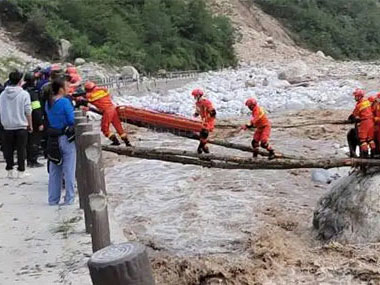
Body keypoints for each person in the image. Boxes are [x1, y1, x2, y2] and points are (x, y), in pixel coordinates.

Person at [45, 78, 76, 205]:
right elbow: (71, 120)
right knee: (69, 169)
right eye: (67, 86)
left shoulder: (48, 103)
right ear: (61, 89)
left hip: (52, 139)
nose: (69, 89)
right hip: (65, 139)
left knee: (54, 170)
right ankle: (69, 198)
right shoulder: (64, 102)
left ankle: (53, 199)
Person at [0, 70, 32, 178]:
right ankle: (21, 171)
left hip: (7, 125)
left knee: (8, 149)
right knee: (21, 149)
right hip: (21, 125)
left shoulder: (3, 94)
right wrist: (30, 124)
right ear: (20, 81)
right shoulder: (24, 94)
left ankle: (9, 170)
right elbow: (28, 111)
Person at [83, 81, 131, 146]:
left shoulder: (91, 95)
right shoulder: (103, 90)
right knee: (118, 127)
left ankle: (116, 142)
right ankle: (127, 143)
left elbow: (87, 99)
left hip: (107, 111)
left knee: (104, 128)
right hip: (113, 109)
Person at [23, 72, 44, 167]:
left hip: (22, 119)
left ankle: (28, 159)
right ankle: (32, 160)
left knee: (27, 141)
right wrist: (40, 122)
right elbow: (36, 109)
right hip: (34, 120)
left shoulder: (22, 91)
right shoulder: (33, 93)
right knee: (34, 141)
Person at [348, 89, 376, 158]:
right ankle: (373, 154)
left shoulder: (359, 105)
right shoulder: (367, 101)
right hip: (371, 122)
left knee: (362, 140)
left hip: (365, 122)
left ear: (359, 96)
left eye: (356, 96)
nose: (355, 98)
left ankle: (364, 157)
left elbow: (354, 114)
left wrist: (351, 117)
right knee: (370, 139)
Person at [191, 88, 216, 154]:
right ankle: (207, 155)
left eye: (195, 96)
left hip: (208, 122)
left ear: (199, 95)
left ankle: (199, 151)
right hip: (203, 122)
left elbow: (213, 112)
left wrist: (210, 115)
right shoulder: (197, 103)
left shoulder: (206, 102)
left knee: (204, 136)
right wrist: (194, 116)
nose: (194, 97)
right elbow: (197, 112)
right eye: (194, 96)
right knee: (203, 139)